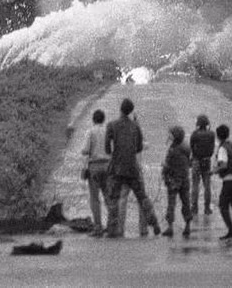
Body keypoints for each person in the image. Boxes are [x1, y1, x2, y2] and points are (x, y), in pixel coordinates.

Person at [104, 98, 162, 238]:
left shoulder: (112, 125)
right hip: (132, 168)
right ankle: (154, 223)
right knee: (142, 197)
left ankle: (114, 229)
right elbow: (140, 147)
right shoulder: (135, 126)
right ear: (131, 111)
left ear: (120, 109)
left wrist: (115, 152)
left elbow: (107, 148)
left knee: (114, 198)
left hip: (117, 168)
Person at [81, 109, 112, 237]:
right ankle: (112, 225)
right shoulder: (108, 132)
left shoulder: (90, 131)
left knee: (95, 198)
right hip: (107, 165)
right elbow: (112, 149)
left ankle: (98, 227)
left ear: (93, 119)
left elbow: (85, 150)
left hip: (94, 166)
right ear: (103, 119)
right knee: (108, 196)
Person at [161, 125, 193, 238]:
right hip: (185, 179)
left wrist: (164, 167)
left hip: (174, 180)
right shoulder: (186, 147)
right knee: (186, 203)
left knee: (171, 203)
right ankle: (188, 225)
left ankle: (170, 227)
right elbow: (189, 163)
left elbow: (167, 166)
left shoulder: (172, 150)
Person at [189, 114, 216, 216]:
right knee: (207, 186)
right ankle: (207, 208)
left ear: (198, 123)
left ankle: (194, 208)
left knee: (195, 185)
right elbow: (212, 149)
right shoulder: (212, 134)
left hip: (196, 161)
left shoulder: (194, 134)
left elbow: (191, 147)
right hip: (207, 161)